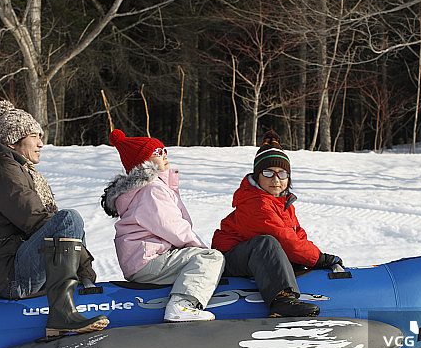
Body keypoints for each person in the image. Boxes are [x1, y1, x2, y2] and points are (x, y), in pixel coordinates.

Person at [0, 100, 108, 337]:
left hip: (7, 268)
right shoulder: (3, 170)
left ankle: (65, 300)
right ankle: (61, 315)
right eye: (34, 136)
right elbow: (37, 221)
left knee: (65, 221)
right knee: (68, 219)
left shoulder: (12, 169)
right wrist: (85, 270)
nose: (41, 143)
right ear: (13, 141)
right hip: (9, 274)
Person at [211, 131, 343, 317]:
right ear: (257, 176)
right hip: (231, 259)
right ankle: (282, 301)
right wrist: (319, 259)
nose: (276, 179)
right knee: (267, 242)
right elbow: (283, 239)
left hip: (255, 257)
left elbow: (297, 236)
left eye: (282, 173)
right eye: (268, 173)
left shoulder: (282, 201)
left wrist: (313, 260)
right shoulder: (256, 203)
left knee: (277, 247)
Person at [101, 129, 225, 322]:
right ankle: (183, 305)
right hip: (149, 260)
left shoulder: (150, 188)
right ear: (144, 163)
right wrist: (201, 250)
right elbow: (173, 227)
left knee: (200, 258)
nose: (164, 155)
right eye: (157, 153)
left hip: (143, 260)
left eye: (164, 150)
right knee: (210, 258)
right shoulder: (152, 190)